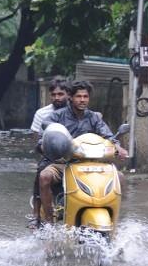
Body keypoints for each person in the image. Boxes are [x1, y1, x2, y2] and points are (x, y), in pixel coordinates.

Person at [37, 80, 128, 225]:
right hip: (64, 163)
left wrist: (118, 146)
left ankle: (116, 218)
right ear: (71, 98)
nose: (82, 100)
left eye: (85, 97)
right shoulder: (57, 117)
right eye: (78, 96)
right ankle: (48, 220)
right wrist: (45, 145)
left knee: (120, 177)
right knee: (44, 176)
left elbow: (108, 136)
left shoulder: (94, 118)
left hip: (92, 163)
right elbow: (44, 137)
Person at [27, 78, 69, 227]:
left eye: (60, 94)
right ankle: (36, 214)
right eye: (54, 94)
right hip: (50, 156)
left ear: (68, 94)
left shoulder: (73, 112)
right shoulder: (42, 113)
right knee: (41, 172)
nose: (57, 97)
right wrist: (42, 149)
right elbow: (35, 138)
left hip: (73, 156)